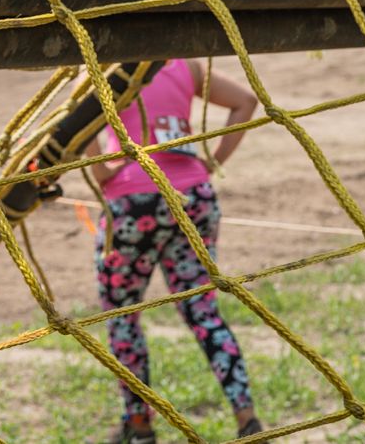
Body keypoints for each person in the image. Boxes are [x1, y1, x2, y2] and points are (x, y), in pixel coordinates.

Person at [89, 58, 263, 442]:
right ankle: (246, 416)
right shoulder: (185, 65)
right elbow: (246, 102)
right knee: (203, 311)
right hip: (193, 196)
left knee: (123, 316)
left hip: (133, 201)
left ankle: (139, 425)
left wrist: (102, 173)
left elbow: (78, 129)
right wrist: (212, 162)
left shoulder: (109, 70)